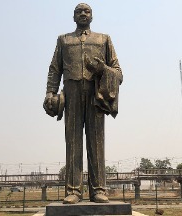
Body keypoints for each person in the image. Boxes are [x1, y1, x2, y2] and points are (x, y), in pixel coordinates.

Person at [43, 3, 123, 204]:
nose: (83, 14)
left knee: (96, 141)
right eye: (79, 11)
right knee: (73, 140)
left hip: (95, 94)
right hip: (71, 91)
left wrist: (102, 69)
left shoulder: (103, 39)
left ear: (92, 16)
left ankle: (98, 190)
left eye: (87, 11)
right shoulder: (64, 40)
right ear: (73, 17)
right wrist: (50, 92)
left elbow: (118, 73)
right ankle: (73, 191)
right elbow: (55, 69)